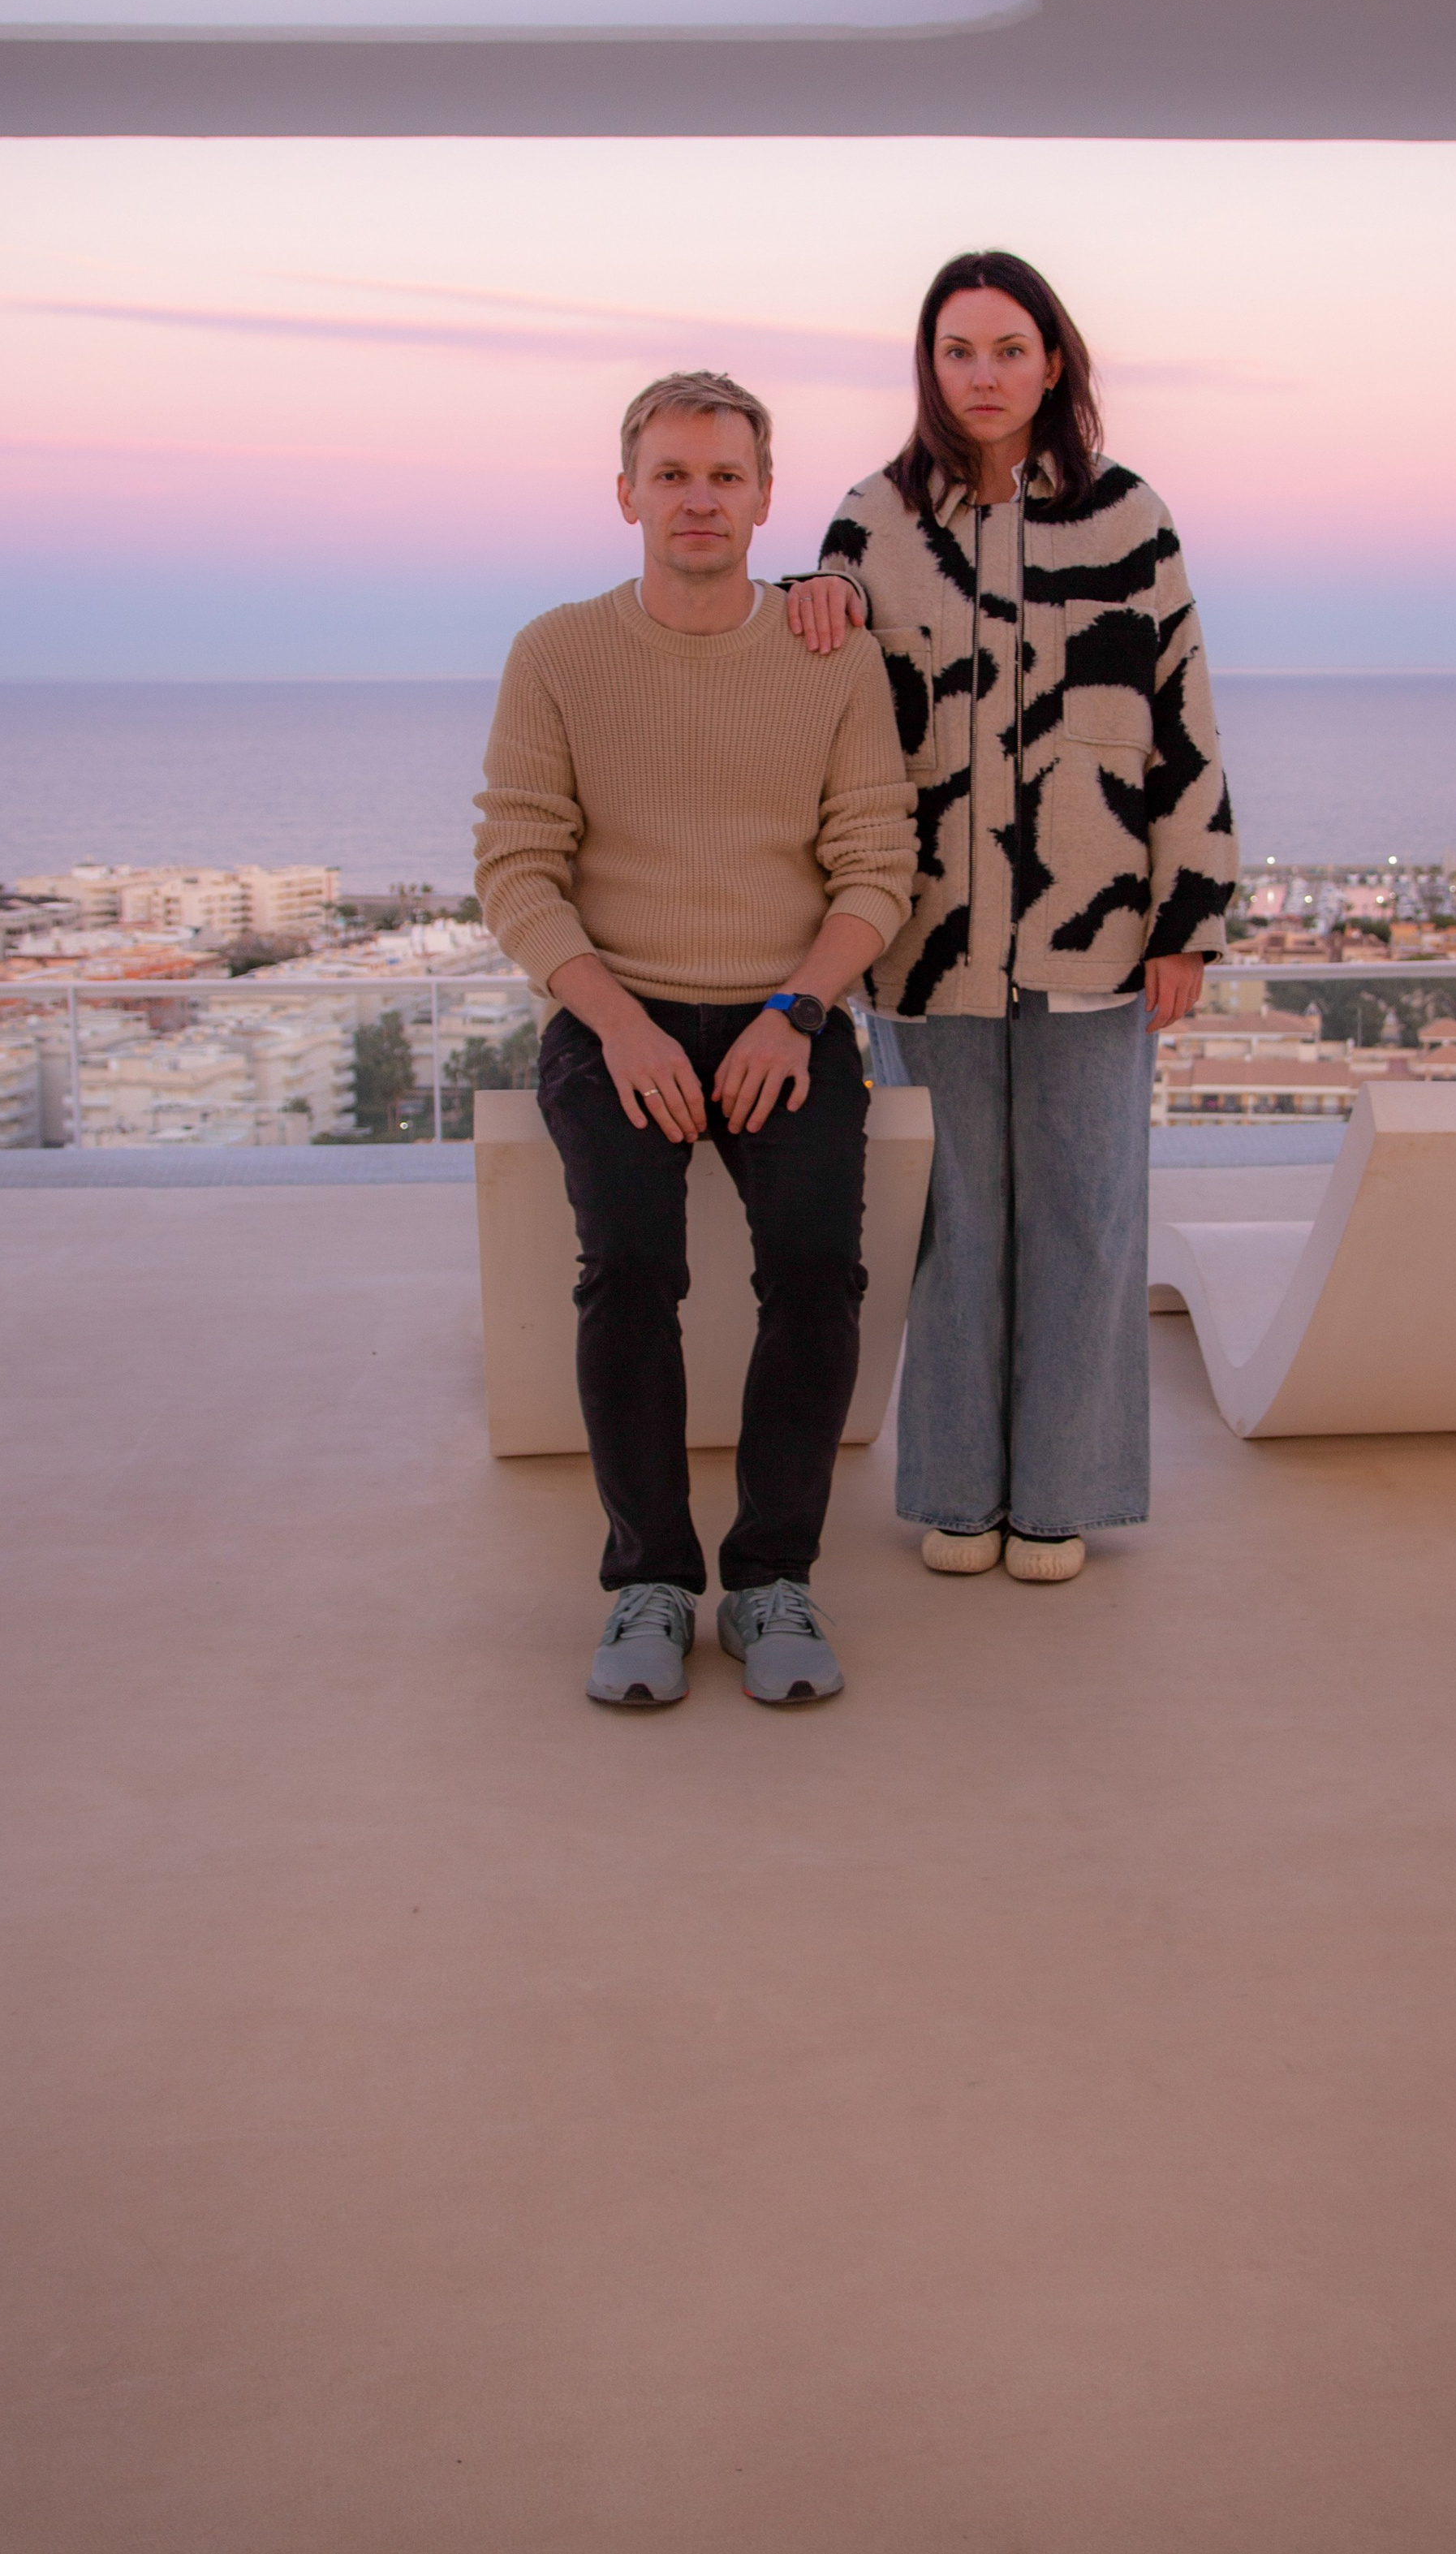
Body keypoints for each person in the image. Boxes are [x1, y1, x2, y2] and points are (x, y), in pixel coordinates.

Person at [786, 252, 1237, 1580]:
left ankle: (1063, 1495)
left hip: (1097, 938)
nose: (983, 375)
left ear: (1055, 361)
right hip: (924, 946)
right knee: (950, 1222)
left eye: (1009, 348)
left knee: (1090, 1215)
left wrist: (1187, 918)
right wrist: (801, 595)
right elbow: (819, 690)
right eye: (958, 350)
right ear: (928, 367)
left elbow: (1186, 722)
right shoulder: (870, 518)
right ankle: (956, 1492)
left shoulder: (1131, 518)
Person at [474, 371, 915, 1708]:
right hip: (617, 1014)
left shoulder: (832, 655)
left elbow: (877, 867)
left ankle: (774, 1575)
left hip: (788, 1008)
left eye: (725, 475)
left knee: (816, 1276)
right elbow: (517, 866)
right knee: (630, 1270)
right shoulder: (556, 652)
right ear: (627, 496)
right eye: (671, 473)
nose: (700, 497)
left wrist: (797, 1011)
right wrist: (614, 1021)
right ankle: (650, 1582)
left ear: (767, 497)